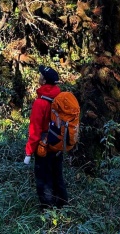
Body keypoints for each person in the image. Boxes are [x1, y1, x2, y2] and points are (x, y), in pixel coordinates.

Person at [24, 65, 68, 208]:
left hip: (43, 146)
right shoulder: (60, 98)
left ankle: (48, 211)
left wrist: (28, 153)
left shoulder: (40, 102)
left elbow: (35, 130)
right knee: (57, 175)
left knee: (43, 179)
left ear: (43, 81)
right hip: (58, 143)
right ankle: (63, 206)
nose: (39, 76)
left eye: (41, 75)